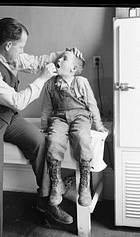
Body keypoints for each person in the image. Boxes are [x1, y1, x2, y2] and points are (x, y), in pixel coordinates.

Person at [0, 17, 83, 237]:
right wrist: (42, 79)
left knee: (41, 143)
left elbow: (38, 61)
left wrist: (64, 54)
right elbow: (18, 101)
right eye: (21, 46)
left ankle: (45, 202)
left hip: (8, 118)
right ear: (8, 44)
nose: (23, 51)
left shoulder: (13, 56)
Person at [41, 50, 108, 207]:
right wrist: (45, 125)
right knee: (53, 140)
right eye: (59, 57)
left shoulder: (81, 82)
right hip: (59, 117)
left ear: (73, 69)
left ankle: (84, 184)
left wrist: (98, 124)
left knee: (82, 138)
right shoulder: (50, 83)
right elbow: (46, 107)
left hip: (80, 116)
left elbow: (92, 104)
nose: (59, 59)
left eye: (64, 58)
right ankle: (56, 183)